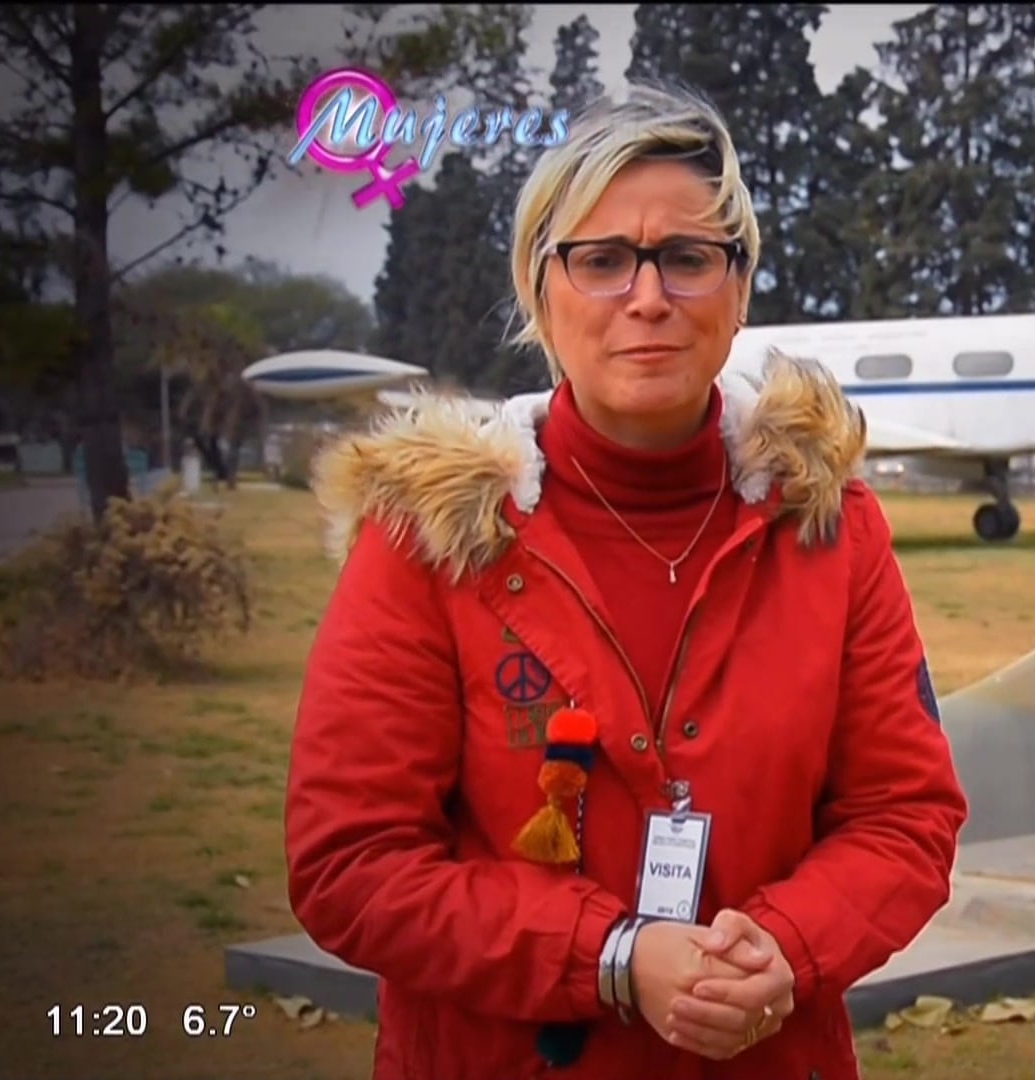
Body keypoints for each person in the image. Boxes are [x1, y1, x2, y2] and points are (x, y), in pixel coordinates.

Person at [285, 79, 970, 1080]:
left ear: (737, 289)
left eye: (687, 258)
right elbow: (351, 865)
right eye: (602, 260)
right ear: (541, 287)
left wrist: (785, 945)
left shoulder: (829, 526)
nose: (647, 297)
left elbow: (906, 817)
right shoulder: (429, 539)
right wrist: (610, 956)